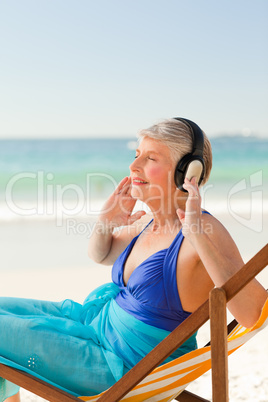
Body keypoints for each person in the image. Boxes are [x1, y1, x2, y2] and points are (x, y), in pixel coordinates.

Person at [1, 118, 267, 402]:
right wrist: (106, 221)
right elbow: (100, 255)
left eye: (150, 157)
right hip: (90, 327)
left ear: (187, 171)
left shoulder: (203, 231)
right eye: (136, 155)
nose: (134, 166)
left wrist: (198, 237)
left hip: (116, 367)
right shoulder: (148, 223)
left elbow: (253, 314)